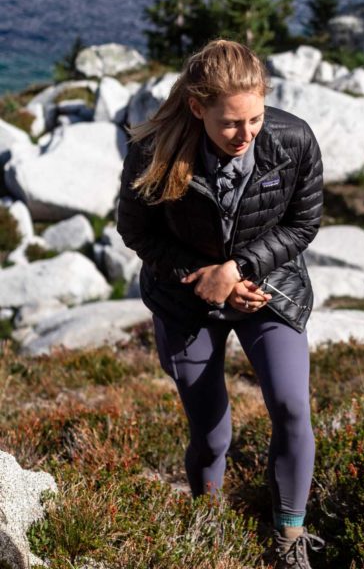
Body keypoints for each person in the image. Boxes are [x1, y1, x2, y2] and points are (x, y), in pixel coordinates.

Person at [116, 39, 325, 569]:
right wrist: (203, 277)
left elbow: (303, 223)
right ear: (197, 107)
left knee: (292, 407)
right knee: (212, 435)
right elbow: (136, 232)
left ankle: (290, 539)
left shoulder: (294, 139)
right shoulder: (155, 151)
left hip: (268, 290)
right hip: (186, 300)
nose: (245, 134)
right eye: (230, 123)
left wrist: (238, 270)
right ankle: (208, 531)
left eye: (255, 118)